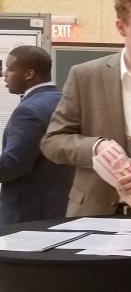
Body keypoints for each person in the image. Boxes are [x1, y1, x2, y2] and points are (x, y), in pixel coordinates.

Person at [41, 0, 131, 216]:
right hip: (93, 214)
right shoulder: (85, 76)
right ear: (121, 27)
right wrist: (94, 146)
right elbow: (52, 142)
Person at [0, 46, 73, 225]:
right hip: (60, 209)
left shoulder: (28, 111)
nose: (4, 74)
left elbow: (12, 165)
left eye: (10, 68)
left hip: (26, 216)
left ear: (29, 74)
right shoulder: (64, 101)